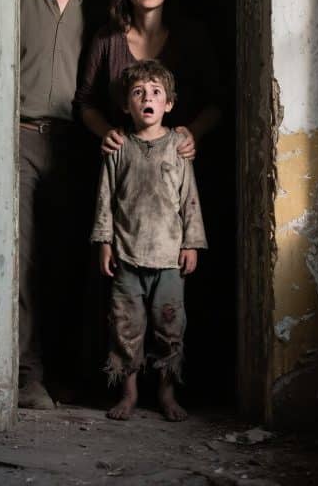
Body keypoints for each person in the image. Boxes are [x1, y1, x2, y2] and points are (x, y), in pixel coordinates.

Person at [18, 0, 107, 409]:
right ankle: (28, 376)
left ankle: (67, 373)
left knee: (69, 263)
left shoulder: (98, 1)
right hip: (19, 136)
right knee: (22, 262)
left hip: (75, 144)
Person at [90, 59, 207, 422]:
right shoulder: (119, 147)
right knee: (126, 327)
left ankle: (167, 394)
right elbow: (105, 199)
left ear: (169, 103)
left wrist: (191, 244)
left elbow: (190, 200)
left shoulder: (178, 147)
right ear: (127, 104)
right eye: (138, 93)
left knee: (170, 327)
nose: (147, 98)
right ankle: (129, 394)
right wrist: (105, 243)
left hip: (169, 258)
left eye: (156, 92)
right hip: (127, 257)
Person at [75, 0, 221, 158]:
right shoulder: (107, 39)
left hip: (178, 163)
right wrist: (106, 132)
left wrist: (193, 133)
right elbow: (86, 102)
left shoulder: (191, 37)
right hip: (124, 163)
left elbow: (216, 102)